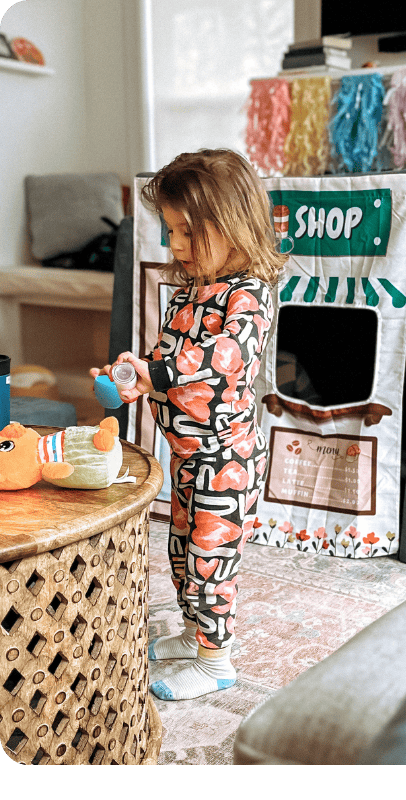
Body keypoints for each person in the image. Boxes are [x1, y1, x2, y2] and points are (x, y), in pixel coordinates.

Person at [90, 149, 288, 701]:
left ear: (234, 227)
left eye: (188, 232)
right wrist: (134, 377)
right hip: (187, 456)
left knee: (210, 563)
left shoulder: (248, 297)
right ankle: (193, 636)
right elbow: (167, 358)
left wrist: (152, 371)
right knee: (181, 552)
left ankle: (216, 661)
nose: (175, 246)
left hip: (226, 459)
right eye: (171, 230)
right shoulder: (188, 293)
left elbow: (218, 361)